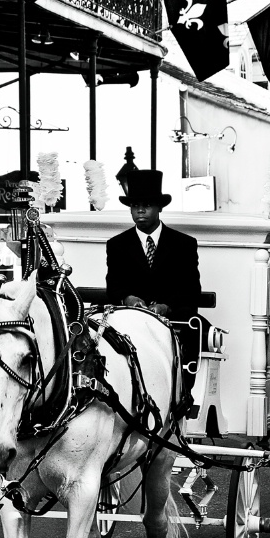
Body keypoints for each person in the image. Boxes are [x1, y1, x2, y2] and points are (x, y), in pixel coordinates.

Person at [105, 169, 201, 394]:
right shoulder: (117, 245)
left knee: (194, 332)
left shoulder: (183, 244)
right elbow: (114, 286)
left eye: (147, 205)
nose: (140, 210)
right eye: (135, 205)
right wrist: (128, 299)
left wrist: (166, 307)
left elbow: (191, 290)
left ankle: (181, 396)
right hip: (130, 320)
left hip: (174, 320)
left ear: (160, 207)